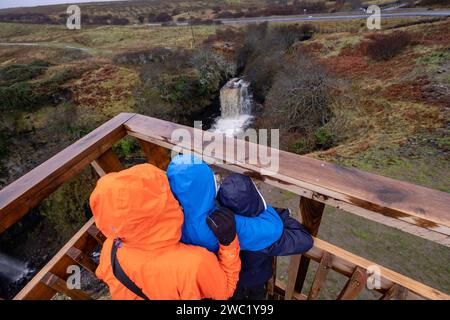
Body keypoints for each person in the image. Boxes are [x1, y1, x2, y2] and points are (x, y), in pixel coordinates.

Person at [90, 163, 241, 300]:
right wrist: (228, 243)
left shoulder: (110, 249)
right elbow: (225, 291)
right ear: (160, 210)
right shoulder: (195, 264)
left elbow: (104, 274)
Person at [218, 173, 314, 300]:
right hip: (257, 278)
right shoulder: (266, 234)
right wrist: (280, 215)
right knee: (257, 296)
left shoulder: (214, 227)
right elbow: (305, 240)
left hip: (229, 280)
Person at [166, 154, 284, 254]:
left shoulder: (168, 219)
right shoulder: (218, 222)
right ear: (208, 185)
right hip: (235, 266)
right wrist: (263, 206)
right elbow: (272, 230)